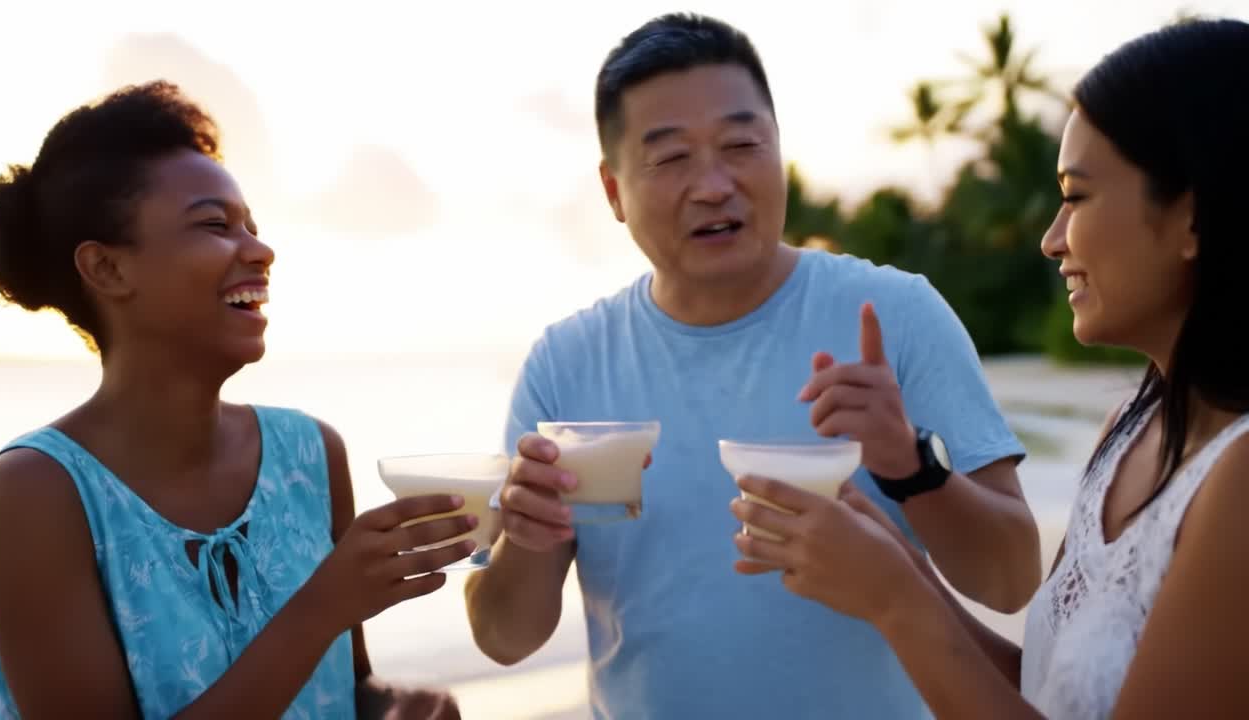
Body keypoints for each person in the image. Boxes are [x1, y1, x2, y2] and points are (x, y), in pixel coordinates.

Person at [464, 12, 1041, 718]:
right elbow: (504, 637)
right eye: (671, 158)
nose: (714, 183)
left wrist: (909, 464)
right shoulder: (567, 364)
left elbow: (1013, 580)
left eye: (742, 144)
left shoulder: (896, 315)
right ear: (614, 192)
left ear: (779, 153)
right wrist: (526, 539)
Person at [728, 17, 1249, 719]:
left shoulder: (1238, 479)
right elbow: (1042, 689)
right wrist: (902, 565)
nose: (1051, 239)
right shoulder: (1129, 428)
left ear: (1191, 217)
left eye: (1076, 196)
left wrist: (894, 599)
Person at [0, 81, 471, 719]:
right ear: (106, 269)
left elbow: (351, 689)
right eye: (214, 225)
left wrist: (401, 707)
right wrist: (321, 606)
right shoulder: (34, 494)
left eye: (252, 229)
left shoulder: (311, 453)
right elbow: (318, 624)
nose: (260, 252)